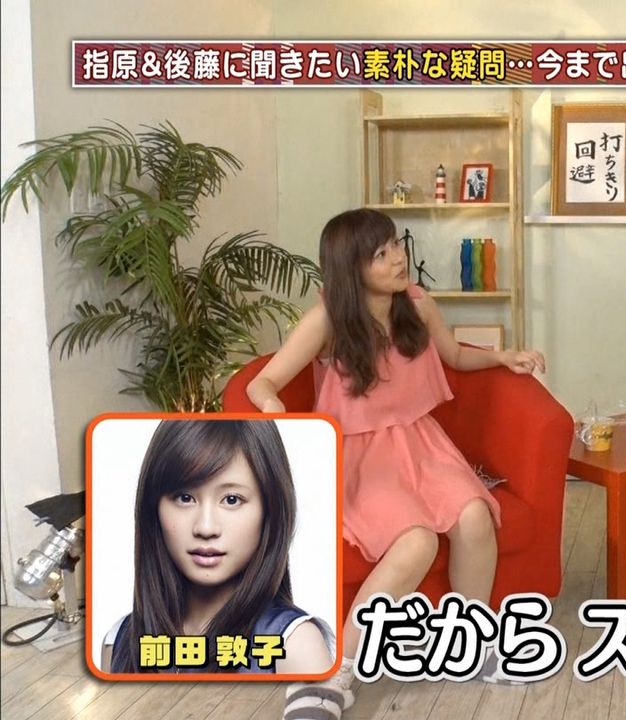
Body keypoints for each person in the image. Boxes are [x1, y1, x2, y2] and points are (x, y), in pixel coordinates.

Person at [246, 208, 546, 718]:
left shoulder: (417, 304)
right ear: (351, 267)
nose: (398, 259)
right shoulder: (329, 318)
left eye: (395, 246)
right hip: (358, 452)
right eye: (380, 255)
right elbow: (262, 382)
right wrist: (275, 411)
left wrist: (502, 357)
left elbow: (454, 355)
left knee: (475, 516)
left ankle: (470, 644)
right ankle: (335, 669)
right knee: (418, 540)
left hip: (421, 442)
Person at [101, 419, 335, 676]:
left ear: (271, 510)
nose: (206, 527)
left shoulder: (293, 645)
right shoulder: (121, 642)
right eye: (185, 498)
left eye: (232, 500)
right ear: (153, 508)